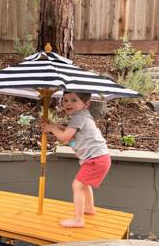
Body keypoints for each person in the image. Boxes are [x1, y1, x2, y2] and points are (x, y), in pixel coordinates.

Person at [42, 91, 111, 228]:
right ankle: (89, 208)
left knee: (77, 185)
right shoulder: (81, 116)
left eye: (74, 100)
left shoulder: (78, 117)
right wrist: (55, 127)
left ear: (86, 104)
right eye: (65, 100)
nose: (68, 103)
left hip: (95, 159)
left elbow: (65, 137)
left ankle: (78, 220)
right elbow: (70, 136)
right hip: (99, 158)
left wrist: (52, 128)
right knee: (84, 184)